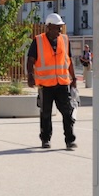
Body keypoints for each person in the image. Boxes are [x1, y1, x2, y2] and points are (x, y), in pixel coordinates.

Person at [27, 13, 77, 150]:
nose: (60, 31)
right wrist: (30, 75)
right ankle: (45, 139)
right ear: (48, 27)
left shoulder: (65, 40)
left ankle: (70, 140)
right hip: (45, 85)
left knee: (68, 112)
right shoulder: (38, 41)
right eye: (57, 28)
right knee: (45, 113)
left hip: (62, 83)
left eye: (61, 27)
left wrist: (74, 79)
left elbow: (69, 61)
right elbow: (31, 60)